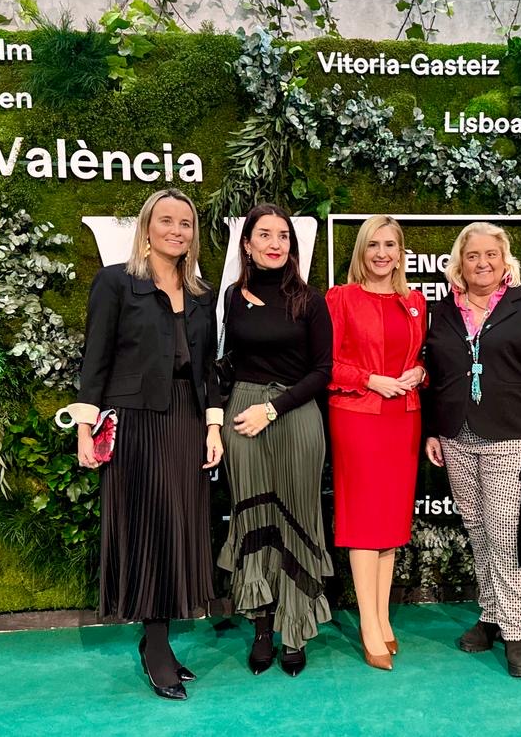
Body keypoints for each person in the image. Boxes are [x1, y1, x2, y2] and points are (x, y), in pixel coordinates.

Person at [70, 188, 224, 701]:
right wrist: (86, 426)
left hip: (186, 421)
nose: (176, 230)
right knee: (149, 529)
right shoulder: (116, 281)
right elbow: (96, 358)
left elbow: (208, 369)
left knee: (179, 528)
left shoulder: (201, 292)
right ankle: (156, 646)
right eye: (167, 220)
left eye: (185, 223)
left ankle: (159, 640)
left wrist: (213, 427)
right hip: (135, 422)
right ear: (147, 227)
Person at [424, 221, 521, 678]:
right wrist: (433, 431)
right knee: (478, 529)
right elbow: (437, 376)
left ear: (505, 260)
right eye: (473, 255)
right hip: (457, 435)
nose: (482, 263)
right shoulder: (443, 310)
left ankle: (518, 630)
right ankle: (491, 614)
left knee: (507, 534)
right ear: (459, 262)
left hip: (511, 435)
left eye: (491, 254)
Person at [215, 203, 333, 677]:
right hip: (243, 416)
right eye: (264, 234)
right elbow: (228, 360)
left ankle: (295, 630)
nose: (274, 243)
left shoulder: (310, 300)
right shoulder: (232, 296)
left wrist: (273, 409)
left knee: (298, 519)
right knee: (254, 518)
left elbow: (322, 372)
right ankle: (262, 628)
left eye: (283, 235)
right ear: (247, 244)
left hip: (295, 414)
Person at [326, 215, 427, 671]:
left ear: (401, 253)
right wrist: (370, 379)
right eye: (373, 245)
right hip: (358, 416)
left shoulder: (415, 301)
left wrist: (420, 372)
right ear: (361, 252)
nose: (382, 253)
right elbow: (325, 363)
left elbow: (423, 357)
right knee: (365, 522)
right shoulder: (341, 298)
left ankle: (383, 618)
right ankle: (369, 624)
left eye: (390, 245)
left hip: (404, 417)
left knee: (389, 523)